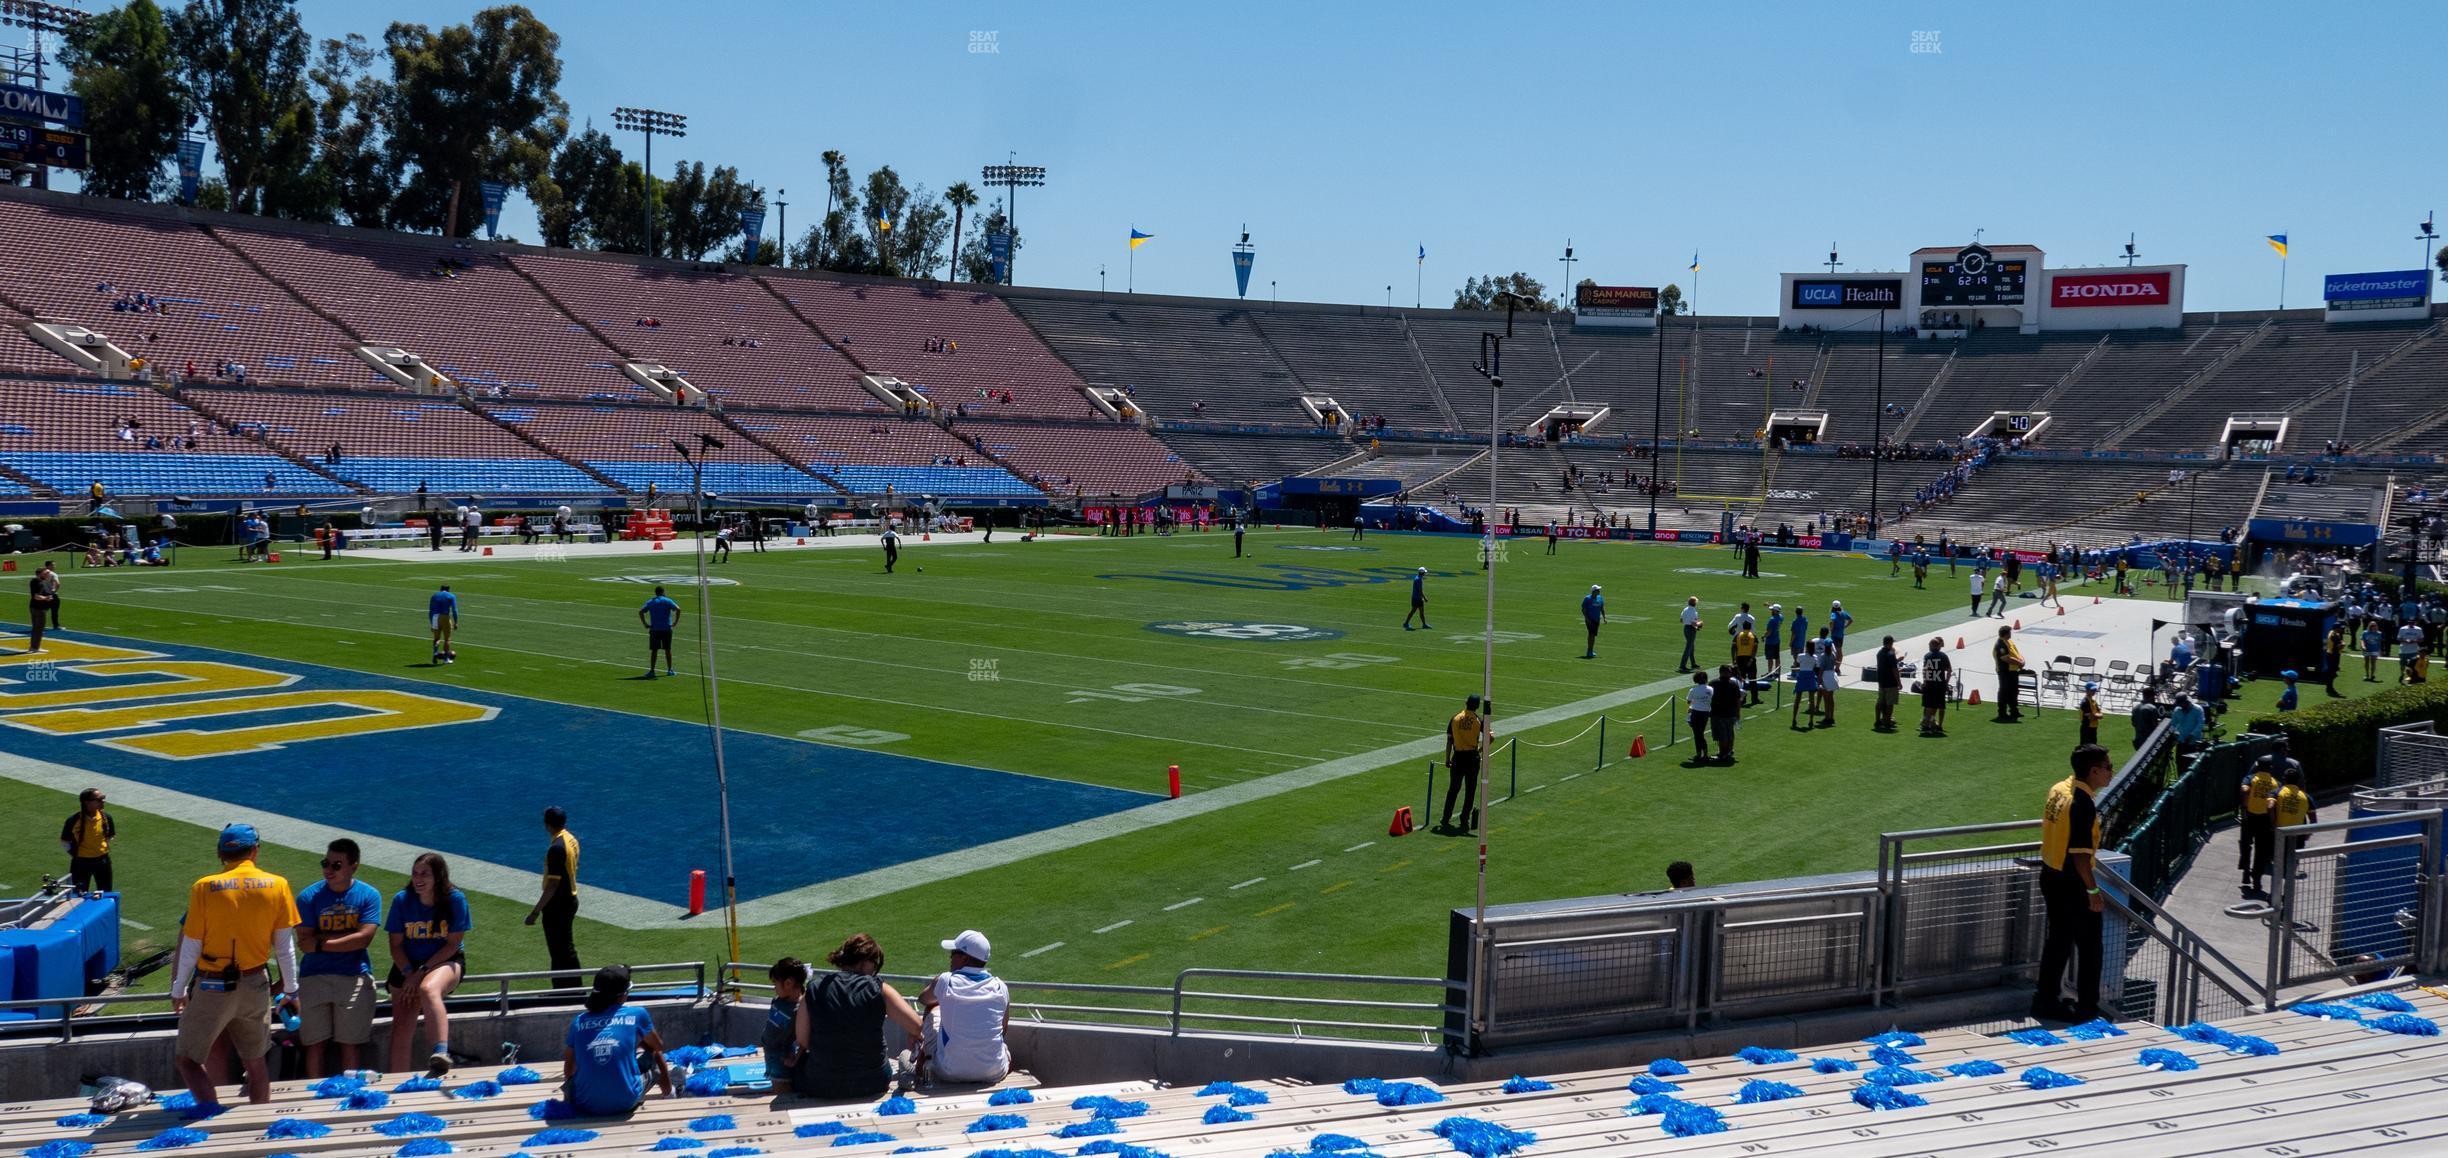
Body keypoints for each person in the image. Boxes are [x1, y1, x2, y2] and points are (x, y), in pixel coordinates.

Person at [170, 824, 300, 1108]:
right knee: (255, 1063)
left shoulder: (204, 887)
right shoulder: (278, 885)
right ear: (254, 850)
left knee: (187, 1059)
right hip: (256, 985)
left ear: (221, 854)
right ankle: (259, 1124)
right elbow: (285, 947)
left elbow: (191, 945)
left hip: (213, 985)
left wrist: (179, 988)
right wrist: (291, 989)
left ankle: (209, 1115)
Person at [790, 934, 925, 1098]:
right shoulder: (879, 989)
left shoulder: (814, 989)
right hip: (873, 1082)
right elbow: (917, 1025)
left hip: (821, 1083)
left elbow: (803, 1040)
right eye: (875, 965)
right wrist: (912, 1033)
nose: (874, 971)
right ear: (865, 961)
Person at [2034, 744, 2113, 1023]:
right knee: (2091, 947)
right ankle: (2087, 1009)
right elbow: (2080, 856)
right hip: (2073, 883)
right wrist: (2093, 891)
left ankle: (2045, 1001)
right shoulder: (2082, 803)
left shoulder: (2060, 788)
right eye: (2107, 767)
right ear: (2093, 771)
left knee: (2058, 941)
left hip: (2050, 873)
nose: (2111, 772)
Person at [294, 838, 382, 1078]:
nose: (328, 870)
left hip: (354, 976)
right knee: (314, 1044)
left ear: (354, 865)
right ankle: (312, 1094)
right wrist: (346, 939)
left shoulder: (368, 895)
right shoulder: (308, 897)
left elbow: (364, 939)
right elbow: (305, 944)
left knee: (350, 1044)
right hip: (314, 977)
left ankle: (349, 1093)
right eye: (326, 863)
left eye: (336, 865)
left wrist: (322, 941)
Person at [386, 851, 472, 1077]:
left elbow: (452, 945)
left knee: (428, 988)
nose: (418, 879)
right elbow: (395, 945)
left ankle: (441, 1052)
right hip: (407, 964)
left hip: (445, 961)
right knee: (402, 1027)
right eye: (415, 873)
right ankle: (396, 1082)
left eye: (425, 874)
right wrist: (408, 973)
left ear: (438, 877)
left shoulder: (455, 899)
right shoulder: (402, 900)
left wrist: (420, 973)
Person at [562, 965, 672, 1116]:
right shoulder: (637, 1014)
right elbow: (659, 1045)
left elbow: (568, 1070)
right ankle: (669, 1094)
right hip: (626, 1102)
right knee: (653, 1051)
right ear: (623, 994)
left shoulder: (578, 1021)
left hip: (585, 1104)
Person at [918, 930, 1010, 1085]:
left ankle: (925, 1061)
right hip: (994, 1072)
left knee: (933, 1009)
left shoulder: (945, 981)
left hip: (949, 1071)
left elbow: (924, 999)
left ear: (965, 958)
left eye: (954, 953)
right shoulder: (1001, 987)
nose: (950, 957)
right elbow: (1003, 1028)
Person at [527, 807, 582, 991]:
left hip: (558, 905)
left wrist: (535, 912)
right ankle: (573, 987)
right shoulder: (571, 839)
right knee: (565, 948)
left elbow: (552, 885)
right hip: (570, 899)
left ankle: (562, 990)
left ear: (547, 824)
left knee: (559, 950)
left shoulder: (556, 848)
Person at [2241, 741, 2301, 891]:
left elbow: (2244, 788)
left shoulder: (2252, 777)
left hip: (2249, 816)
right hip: (2265, 820)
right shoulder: (2277, 783)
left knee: (2246, 844)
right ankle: (2257, 879)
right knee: (2261, 850)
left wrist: (2244, 806)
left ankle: (2245, 871)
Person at [1441, 694, 1487, 832]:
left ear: (1466, 703)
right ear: (1477, 706)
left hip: (1458, 757)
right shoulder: (1478, 720)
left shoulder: (1455, 718)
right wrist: (1479, 750)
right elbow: (1490, 737)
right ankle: (1464, 819)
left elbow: (1449, 740)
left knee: (1453, 789)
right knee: (1470, 790)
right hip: (1472, 757)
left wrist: (1447, 758)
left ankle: (1445, 817)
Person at [761, 958, 809, 1082]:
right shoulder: (779, 1000)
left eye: (775, 983)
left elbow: (803, 1040)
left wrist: (795, 1058)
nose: (774, 988)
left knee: (782, 1088)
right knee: (774, 1081)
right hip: (769, 1051)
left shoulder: (799, 1011)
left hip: (782, 1058)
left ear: (788, 983)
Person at [60, 787, 114, 892]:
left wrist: (99, 849)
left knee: (106, 893)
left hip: (103, 861)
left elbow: (109, 836)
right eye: (99, 799)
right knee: (78, 895)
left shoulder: (106, 818)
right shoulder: (74, 820)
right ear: (87, 803)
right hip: (81, 863)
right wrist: (76, 854)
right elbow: (65, 841)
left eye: (103, 798)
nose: (103, 801)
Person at [639, 585, 679, 677]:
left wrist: (645, 624)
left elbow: (641, 611)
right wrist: (675, 622)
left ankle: (652, 670)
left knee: (654, 650)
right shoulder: (668, 600)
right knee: (668, 650)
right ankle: (669, 670)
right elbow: (678, 609)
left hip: (655, 629)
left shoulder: (650, 602)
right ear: (663, 592)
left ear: (656, 593)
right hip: (666, 629)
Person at [1919, 636, 1953, 736]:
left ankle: (1926, 725)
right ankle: (1938, 725)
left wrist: (1925, 681)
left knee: (1929, 706)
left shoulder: (1927, 656)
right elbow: (1949, 670)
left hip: (1929, 684)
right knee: (1941, 706)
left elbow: (1925, 670)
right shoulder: (1943, 656)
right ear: (1938, 646)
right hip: (1939, 684)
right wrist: (1946, 682)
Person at [1709, 664, 1742, 763]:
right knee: (1729, 733)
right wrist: (1738, 712)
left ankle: (1723, 754)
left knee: (1721, 735)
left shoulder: (1713, 683)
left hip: (1717, 713)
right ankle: (1729, 751)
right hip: (1730, 713)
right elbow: (1738, 700)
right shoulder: (1733, 684)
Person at [1992, 625, 2024, 722]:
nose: (2011, 634)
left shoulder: (2009, 641)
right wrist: (2019, 663)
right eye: (2010, 632)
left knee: (2014, 691)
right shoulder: (2000, 644)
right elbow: (2006, 658)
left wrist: (2022, 660)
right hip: (2005, 671)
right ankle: (2002, 712)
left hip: (2013, 671)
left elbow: (2016, 653)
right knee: (2004, 692)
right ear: (2006, 634)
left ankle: (2014, 710)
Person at [1872, 636, 1902, 732]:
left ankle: (1877, 720)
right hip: (1890, 682)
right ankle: (1887, 721)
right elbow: (1894, 669)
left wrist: (1896, 660)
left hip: (1881, 681)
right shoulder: (1891, 653)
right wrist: (1899, 682)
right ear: (1890, 643)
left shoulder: (1879, 653)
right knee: (1890, 703)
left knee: (1880, 701)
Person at [428, 584, 458, 665]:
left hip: (435, 617)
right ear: (448, 589)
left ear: (440, 589)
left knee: (436, 638)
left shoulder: (434, 595)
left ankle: (435, 653)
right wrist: (456, 622)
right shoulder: (451, 596)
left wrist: (431, 623)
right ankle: (446, 659)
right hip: (444, 616)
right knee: (447, 639)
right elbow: (454, 610)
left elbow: (430, 610)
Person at [1734, 622, 1761, 705]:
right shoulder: (1753, 636)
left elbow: (1733, 648)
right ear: (1750, 627)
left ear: (1743, 627)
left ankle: (1742, 699)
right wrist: (1751, 659)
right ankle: (1754, 699)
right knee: (1753, 680)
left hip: (1739, 659)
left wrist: (1734, 660)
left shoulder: (1738, 635)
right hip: (1749, 659)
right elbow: (1755, 649)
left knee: (1741, 680)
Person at [1580, 584, 1605, 659]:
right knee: (1591, 635)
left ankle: (1591, 650)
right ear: (1594, 591)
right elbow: (1583, 609)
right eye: (1598, 590)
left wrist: (1604, 617)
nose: (1599, 591)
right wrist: (1587, 619)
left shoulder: (1600, 598)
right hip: (1590, 619)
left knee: (1593, 635)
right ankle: (1589, 651)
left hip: (1597, 619)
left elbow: (1602, 608)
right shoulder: (1587, 599)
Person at [34, 560, 61, 629]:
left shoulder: (41, 574)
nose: (54, 566)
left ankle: (39, 625)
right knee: (54, 611)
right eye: (53, 565)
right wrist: (54, 591)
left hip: (43, 595)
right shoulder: (53, 574)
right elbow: (58, 584)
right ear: (48, 566)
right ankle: (56, 625)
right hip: (52, 595)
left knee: (42, 611)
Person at [1678, 596, 1702, 672]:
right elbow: (1693, 623)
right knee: (1688, 648)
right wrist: (1700, 624)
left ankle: (1693, 663)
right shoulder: (1693, 611)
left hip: (1686, 628)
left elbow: (1681, 620)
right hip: (1691, 629)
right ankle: (1682, 665)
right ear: (1694, 603)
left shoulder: (1685, 609)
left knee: (1691, 646)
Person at [2078, 682, 2104, 748]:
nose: (2094, 691)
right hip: (2087, 728)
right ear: (2087, 690)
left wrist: (2097, 715)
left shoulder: (2093, 701)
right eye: (2092, 690)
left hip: (2093, 727)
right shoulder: (2085, 702)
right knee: (2085, 748)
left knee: (2093, 748)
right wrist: (2098, 715)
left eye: (2095, 690)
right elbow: (2091, 717)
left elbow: (2100, 713)